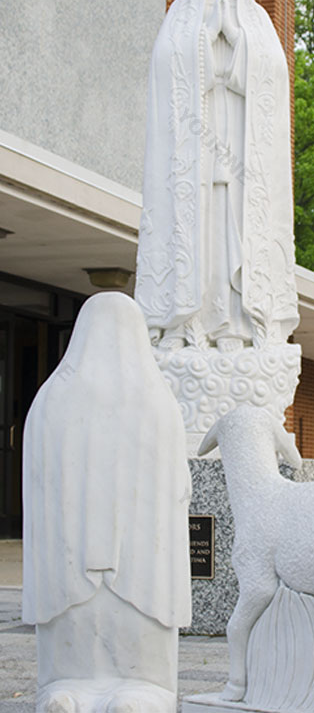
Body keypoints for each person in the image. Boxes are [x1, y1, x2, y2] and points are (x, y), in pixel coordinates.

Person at [23, 292, 191, 712]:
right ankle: (142, 689)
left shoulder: (49, 400)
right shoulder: (156, 401)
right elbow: (178, 489)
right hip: (140, 571)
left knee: (70, 651)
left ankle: (65, 689)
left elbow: (35, 481)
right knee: (139, 647)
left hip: (66, 567)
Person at [135, 0, 298, 352]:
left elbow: (273, 75)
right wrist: (207, 36)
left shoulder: (256, 19)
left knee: (232, 222)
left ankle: (233, 323)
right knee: (196, 223)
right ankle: (187, 319)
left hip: (238, 137)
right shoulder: (182, 15)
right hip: (194, 143)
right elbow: (165, 69)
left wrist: (237, 38)